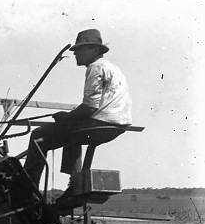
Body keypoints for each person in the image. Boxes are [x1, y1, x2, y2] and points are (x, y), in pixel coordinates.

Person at [23, 29, 132, 191]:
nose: (75, 54)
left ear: (94, 50)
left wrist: (65, 116)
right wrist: (69, 118)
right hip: (118, 124)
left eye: (80, 49)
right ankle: (74, 184)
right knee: (71, 130)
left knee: (38, 136)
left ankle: (27, 190)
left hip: (100, 123)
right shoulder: (113, 68)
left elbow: (89, 107)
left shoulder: (95, 67)